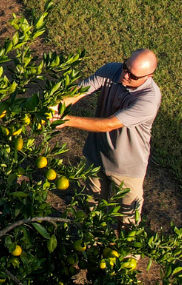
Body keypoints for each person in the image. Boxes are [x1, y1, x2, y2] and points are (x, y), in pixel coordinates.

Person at [56, 50, 161, 224]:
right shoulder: (112, 70)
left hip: (127, 168)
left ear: (149, 76)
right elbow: (80, 90)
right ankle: (91, 245)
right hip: (96, 155)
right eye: (125, 67)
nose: (125, 75)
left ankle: (125, 251)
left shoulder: (148, 100)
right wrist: (54, 107)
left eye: (132, 75)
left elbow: (109, 124)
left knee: (127, 221)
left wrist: (66, 120)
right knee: (92, 209)